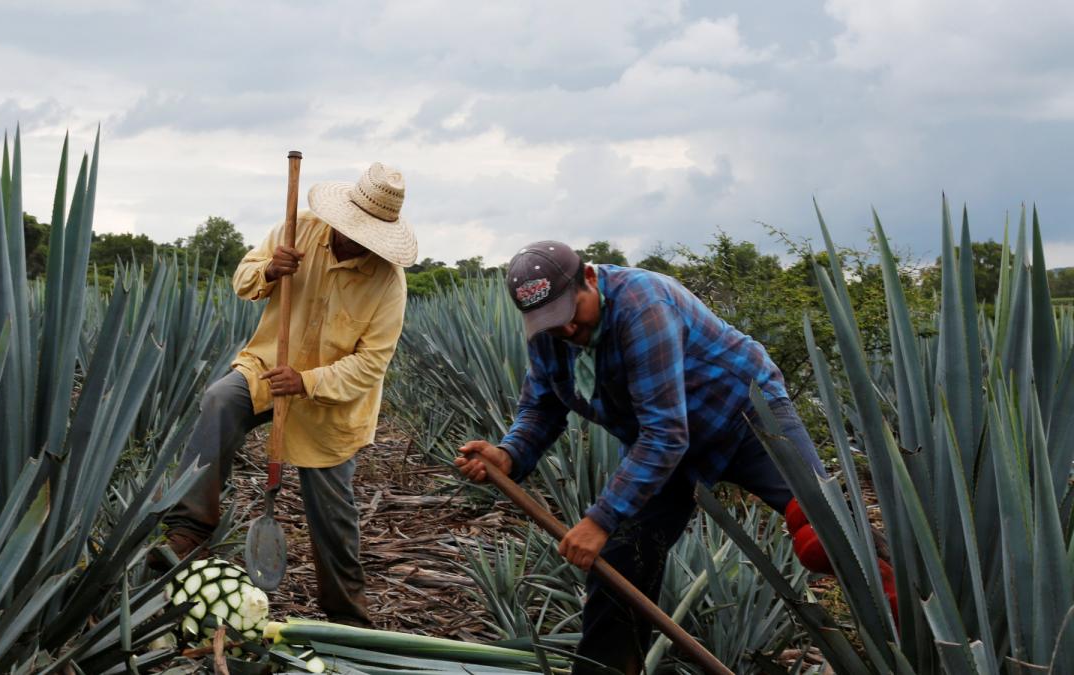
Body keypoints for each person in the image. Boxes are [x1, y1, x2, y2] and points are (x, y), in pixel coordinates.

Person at [455, 241, 882, 673]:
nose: (564, 331)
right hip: (665, 449)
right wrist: (510, 453)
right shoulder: (551, 335)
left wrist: (599, 519)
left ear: (588, 277)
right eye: (548, 323)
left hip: (744, 416)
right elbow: (542, 406)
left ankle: (918, 625)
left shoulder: (642, 305)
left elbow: (665, 434)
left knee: (827, 529)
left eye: (568, 314)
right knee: (619, 566)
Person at [157, 162, 416, 628]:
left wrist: (307, 382)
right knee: (221, 400)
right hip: (267, 368)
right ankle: (190, 530)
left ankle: (347, 618)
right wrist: (272, 270)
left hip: (330, 403)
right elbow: (244, 280)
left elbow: (370, 366)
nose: (354, 238)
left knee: (332, 516)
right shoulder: (296, 232)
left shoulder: (388, 284)